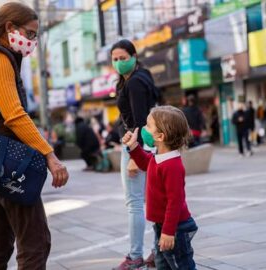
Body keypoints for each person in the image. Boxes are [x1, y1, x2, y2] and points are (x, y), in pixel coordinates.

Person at [0, 3, 69, 269]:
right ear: (10, 28)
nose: (32, 41)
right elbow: (14, 115)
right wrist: (49, 154)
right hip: (6, 159)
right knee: (35, 241)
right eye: (30, 34)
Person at [122, 106, 198, 269]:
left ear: (161, 136)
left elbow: (175, 201)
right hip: (162, 226)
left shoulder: (172, 166)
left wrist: (168, 231)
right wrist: (133, 146)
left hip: (176, 228)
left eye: (148, 126)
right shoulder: (159, 157)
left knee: (181, 265)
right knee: (162, 264)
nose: (143, 128)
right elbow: (145, 162)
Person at [111, 39, 158, 269]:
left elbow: (140, 121)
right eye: (115, 59)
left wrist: (134, 158)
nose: (119, 63)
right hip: (146, 144)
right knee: (152, 200)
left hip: (136, 146)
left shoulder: (135, 83)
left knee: (135, 203)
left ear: (134, 56)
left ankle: (135, 255)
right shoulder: (138, 77)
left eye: (123, 58)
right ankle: (158, 251)